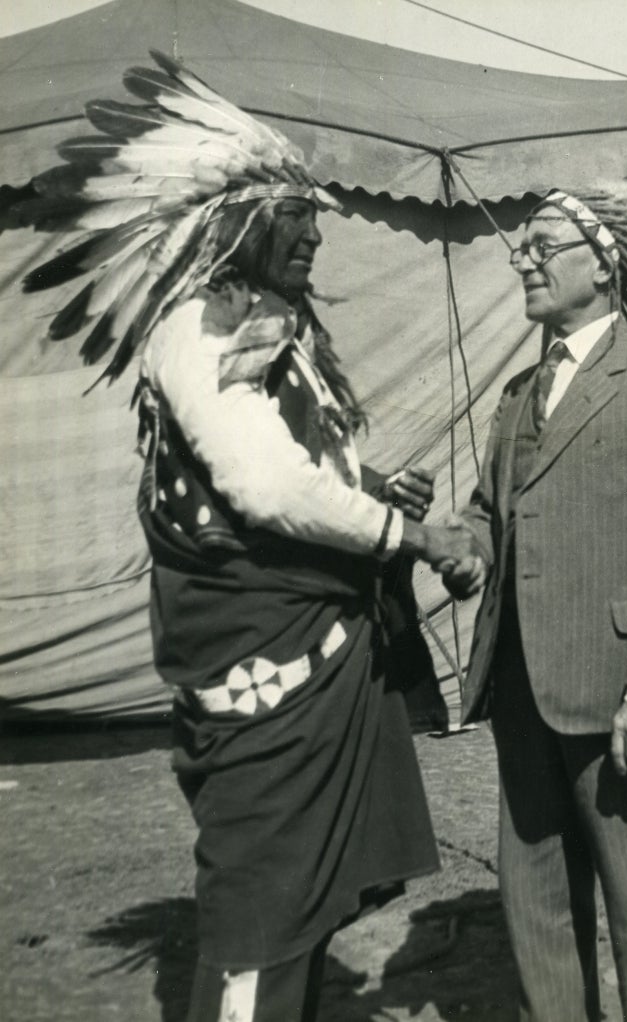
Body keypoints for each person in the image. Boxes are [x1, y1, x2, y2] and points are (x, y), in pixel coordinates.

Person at [9, 53, 473, 1022]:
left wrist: (365, 485)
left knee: (298, 890)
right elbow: (260, 485)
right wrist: (404, 529)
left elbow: (279, 466)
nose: (312, 235)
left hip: (310, 648)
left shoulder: (271, 323)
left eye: (315, 217)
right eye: (291, 217)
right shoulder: (201, 323)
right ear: (232, 223)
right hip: (268, 659)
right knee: (264, 899)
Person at [443, 186, 627, 1022]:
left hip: (619, 698)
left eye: (543, 245)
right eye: (519, 248)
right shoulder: (513, 398)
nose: (522, 259)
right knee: (536, 910)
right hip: (520, 693)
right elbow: (489, 514)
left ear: (603, 262)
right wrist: (463, 552)